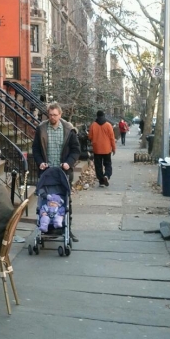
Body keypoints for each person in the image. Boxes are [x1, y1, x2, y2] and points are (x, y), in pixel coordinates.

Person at [32, 102, 81, 240]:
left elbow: (76, 150)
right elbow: (35, 148)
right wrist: (40, 162)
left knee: (65, 201)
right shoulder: (41, 129)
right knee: (46, 201)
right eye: (50, 115)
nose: (52, 117)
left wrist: (69, 163)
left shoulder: (68, 130)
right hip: (46, 172)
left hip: (63, 172)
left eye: (55, 115)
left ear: (60, 115)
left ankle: (67, 230)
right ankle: (48, 228)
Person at [88, 110, 116, 187]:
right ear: (104, 116)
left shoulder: (93, 125)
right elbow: (112, 138)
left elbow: (90, 136)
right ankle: (106, 175)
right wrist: (113, 148)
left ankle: (101, 181)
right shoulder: (108, 125)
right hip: (107, 149)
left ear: (97, 116)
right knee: (108, 164)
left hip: (97, 149)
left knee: (98, 165)